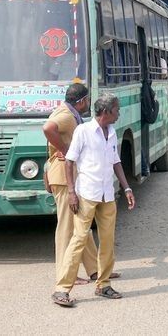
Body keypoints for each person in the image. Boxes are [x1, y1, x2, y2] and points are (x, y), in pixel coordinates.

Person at [51, 95, 136, 307]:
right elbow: (69, 162)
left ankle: (103, 284)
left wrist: (126, 187)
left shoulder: (113, 132)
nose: (119, 114)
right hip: (87, 194)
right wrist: (71, 192)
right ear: (106, 112)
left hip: (107, 194)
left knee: (107, 240)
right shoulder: (83, 131)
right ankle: (62, 289)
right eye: (116, 110)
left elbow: (116, 162)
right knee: (79, 239)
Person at [43, 84, 120, 285]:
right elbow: (48, 128)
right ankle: (65, 273)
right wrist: (66, 150)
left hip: (70, 175)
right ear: (82, 101)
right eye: (87, 100)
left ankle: (95, 270)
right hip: (62, 176)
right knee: (67, 229)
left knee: (81, 227)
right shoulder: (67, 116)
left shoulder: (70, 113)